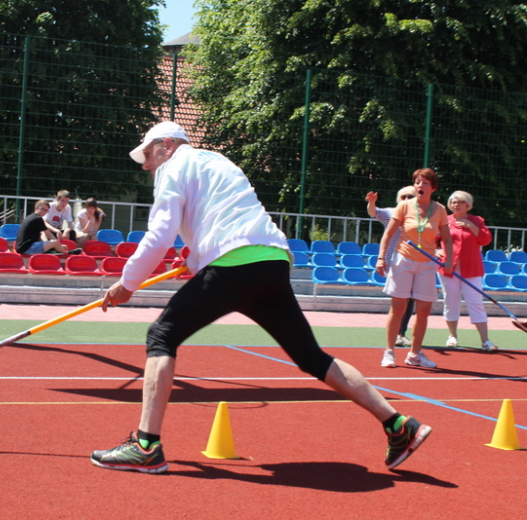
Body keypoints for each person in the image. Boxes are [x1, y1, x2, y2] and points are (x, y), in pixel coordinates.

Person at [89, 121, 432, 474]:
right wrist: (195, 257)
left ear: (166, 144)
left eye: (148, 154)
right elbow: (223, 219)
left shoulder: (174, 166)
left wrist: (128, 282)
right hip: (271, 261)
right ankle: (398, 425)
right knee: (311, 356)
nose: (147, 164)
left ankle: (146, 446)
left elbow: (161, 233)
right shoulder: (218, 161)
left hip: (235, 264)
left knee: (161, 335)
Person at [376, 168, 453, 369]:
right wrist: (381, 258)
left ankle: (415, 354)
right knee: (399, 307)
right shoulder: (404, 206)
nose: (420, 186)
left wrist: (449, 261)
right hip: (403, 260)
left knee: (424, 309)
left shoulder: (440, 210)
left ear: (433, 188)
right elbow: (388, 234)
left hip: (427, 264)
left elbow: (446, 239)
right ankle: (389, 352)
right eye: (417, 182)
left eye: (425, 183)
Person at [437, 191, 498, 352]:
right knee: (451, 302)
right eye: (454, 202)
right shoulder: (444, 220)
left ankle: (485, 341)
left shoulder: (477, 220)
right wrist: (436, 251)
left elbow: (486, 240)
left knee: (476, 303)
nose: (456, 205)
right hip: (449, 269)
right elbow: (431, 239)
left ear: (468, 205)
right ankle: (452, 336)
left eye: (460, 202)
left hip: (472, 269)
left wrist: (472, 226)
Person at [366, 187, 417, 347]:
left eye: (411, 196)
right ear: (398, 198)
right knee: (400, 299)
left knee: (410, 299)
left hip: (414, 262)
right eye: (404, 196)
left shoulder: (420, 217)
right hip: (394, 262)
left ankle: (401, 333)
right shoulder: (391, 212)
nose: (407, 198)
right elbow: (373, 212)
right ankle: (395, 334)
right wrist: (372, 202)